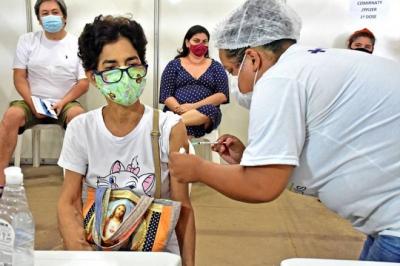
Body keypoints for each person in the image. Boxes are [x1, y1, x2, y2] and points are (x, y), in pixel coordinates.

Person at [169, 0, 400, 263]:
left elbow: (263, 186)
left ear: (253, 58)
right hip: (386, 220)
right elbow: (322, 142)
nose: (233, 80)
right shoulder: (311, 64)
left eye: (232, 71)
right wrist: (251, 160)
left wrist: (198, 169)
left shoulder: (279, 79)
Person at [57, 15, 195, 266]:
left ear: (143, 66)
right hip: (99, 246)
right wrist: (81, 254)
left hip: (157, 252)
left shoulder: (170, 128)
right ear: (93, 76)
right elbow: (69, 201)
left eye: (132, 64)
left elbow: (183, 208)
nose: (124, 75)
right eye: (110, 68)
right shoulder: (81, 129)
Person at [0, 0, 89, 188]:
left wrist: (63, 102)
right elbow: (19, 77)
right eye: (45, 13)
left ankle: (78, 178)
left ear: (64, 17)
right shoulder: (27, 40)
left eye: (55, 12)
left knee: (79, 117)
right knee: (11, 115)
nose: (50, 17)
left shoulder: (78, 43)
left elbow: (83, 83)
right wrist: (33, 104)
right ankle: (1, 175)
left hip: (66, 102)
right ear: (39, 19)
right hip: (32, 101)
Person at [159, 25, 229, 138]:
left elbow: (222, 95)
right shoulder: (174, 65)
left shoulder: (216, 67)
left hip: (205, 115)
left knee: (211, 110)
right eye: (196, 41)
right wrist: (180, 109)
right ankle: (179, 132)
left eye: (204, 41)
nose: (201, 44)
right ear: (187, 43)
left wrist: (192, 107)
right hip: (175, 111)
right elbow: (166, 94)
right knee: (181, 123)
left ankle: (171, 125)